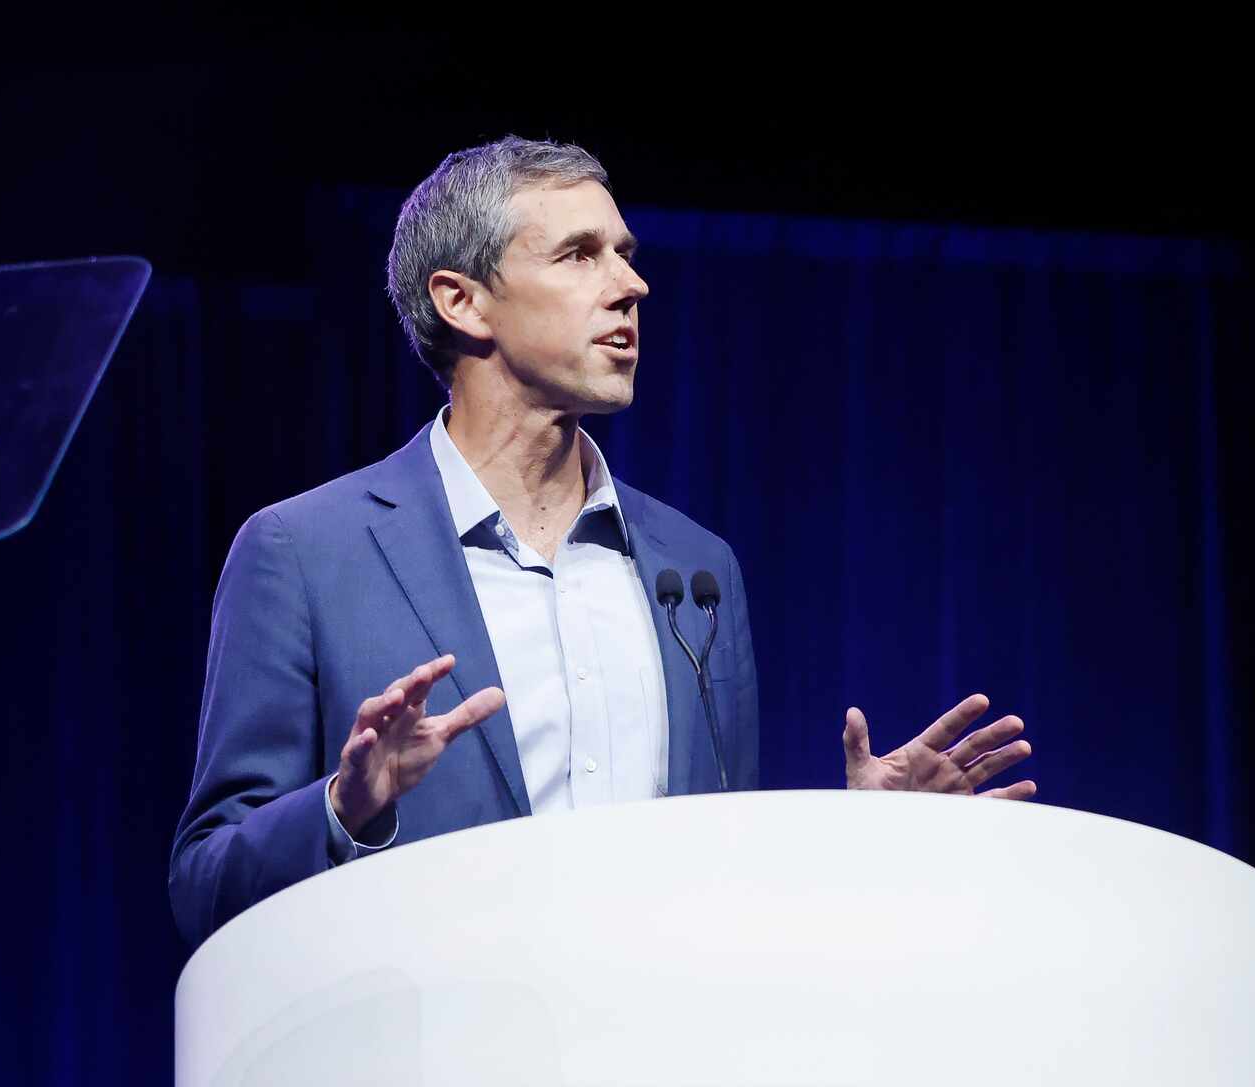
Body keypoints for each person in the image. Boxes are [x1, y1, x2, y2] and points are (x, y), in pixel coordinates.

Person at [169, 136, 1030, 949]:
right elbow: (206, 884)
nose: (630, 285)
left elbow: (716, 883)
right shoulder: (306, 552)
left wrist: (848, 842)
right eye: (581, 255)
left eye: (626, 253)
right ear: (461, 300)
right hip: (430, 1079)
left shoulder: (695, 569)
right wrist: (342, 806)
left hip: (646, 1078)